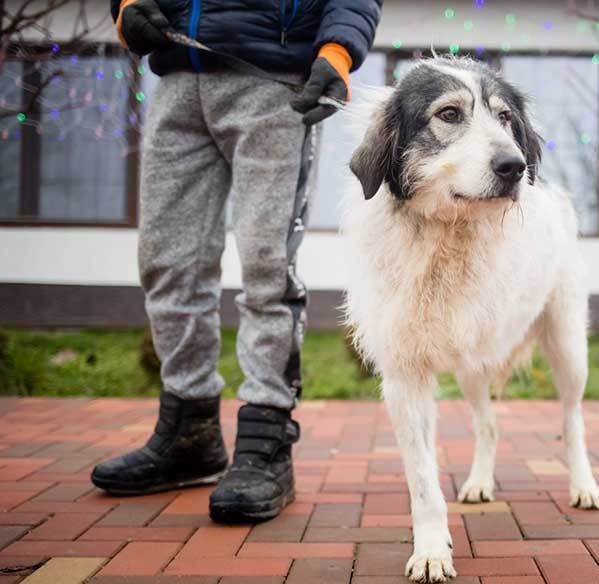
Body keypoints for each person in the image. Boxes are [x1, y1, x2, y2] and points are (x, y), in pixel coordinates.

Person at [90, 0, 382, 522]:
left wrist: (337, 51)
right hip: (178, 77)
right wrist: (129, 5)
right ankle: (189, 433)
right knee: (167, 260)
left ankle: (266, 441)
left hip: (273, 79)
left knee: (266, 264)